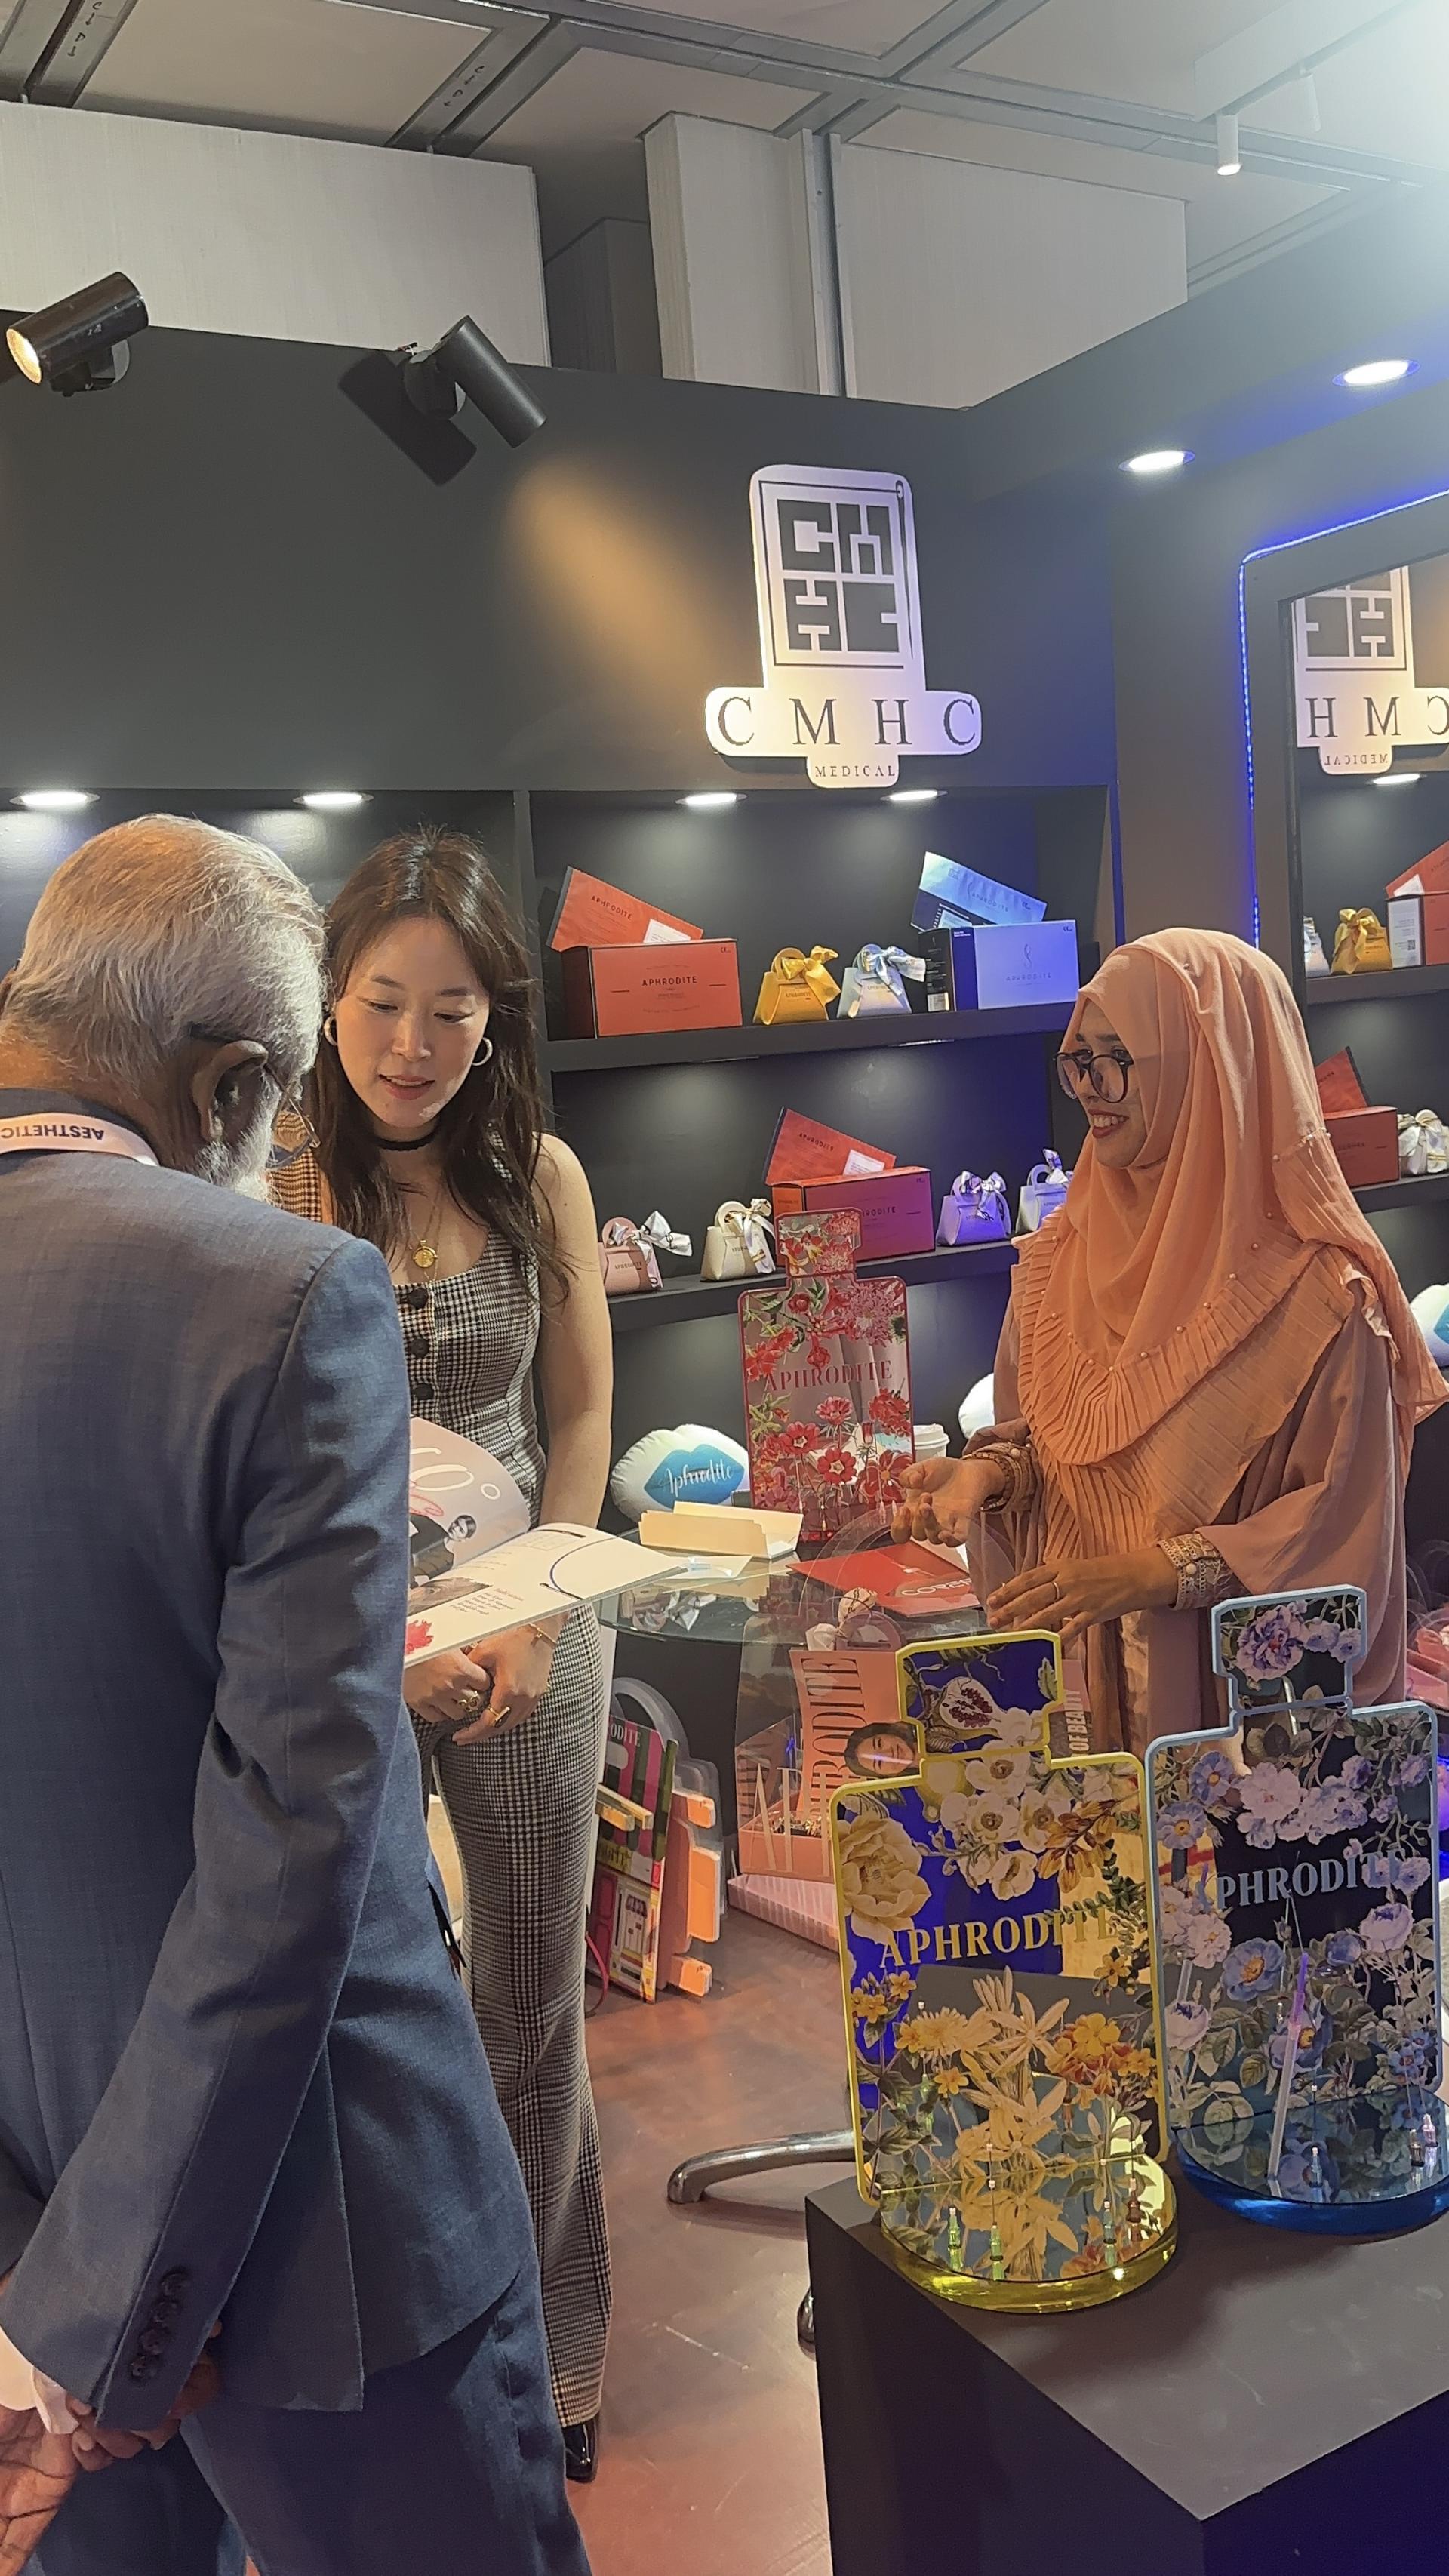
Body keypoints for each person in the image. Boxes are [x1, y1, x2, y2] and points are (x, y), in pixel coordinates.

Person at [0, 817, 589, 2576]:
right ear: (240, 1083)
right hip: (321, 2232)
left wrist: (43, 2290)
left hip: (30, 2224)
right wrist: (119, 2308)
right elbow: (292, 1844)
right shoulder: (274, 1286)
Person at [270, 829, 614, 2482]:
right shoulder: (277, 1179)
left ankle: (546, 2357)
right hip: (342, 1641)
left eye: (453, 1008)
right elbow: (270, 1463)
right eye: (382, 1001)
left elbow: (584, 1416)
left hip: (533, 1611)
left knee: (530, 1998)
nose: (412, 1042)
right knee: (363, 2001)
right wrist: (379, 1653)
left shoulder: (541, 1174)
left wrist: (536, 1611)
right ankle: (413, 2341)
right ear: (328, 1001)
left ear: (496, 1020)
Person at [897, 928, 1444, 1754]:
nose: (1091, 1087)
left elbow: (1343, 1531)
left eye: (1120, 1058)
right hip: (1088, 1714)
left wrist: (1158, 1572)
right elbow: (1062, 1449)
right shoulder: (1058, 1263)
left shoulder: (1323, 1301)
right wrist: (989, 1477)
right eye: (1079, 1058)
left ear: (1215, 1067)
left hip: (1235, 1735)